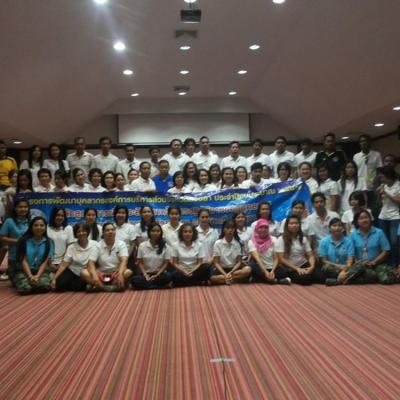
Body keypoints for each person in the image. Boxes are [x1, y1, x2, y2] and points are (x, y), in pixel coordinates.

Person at [350, 210, 395, 284]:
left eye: (366, 217)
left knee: (386, 280)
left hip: (377, 263)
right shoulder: (353, 235)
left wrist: (374, 262)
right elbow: (351, 252)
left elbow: (386, 250)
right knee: (370, 275)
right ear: (357, 221)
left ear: (370, 219)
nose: (364, 220)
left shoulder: (379, 232)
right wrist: (358, 263)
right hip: (360, 265)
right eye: (361, 218)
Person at [84, 223, 132, 291]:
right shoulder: (97, 245)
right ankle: (110, 287)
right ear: (103, 233)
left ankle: (98, 286)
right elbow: (90, 262)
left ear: (115, 232)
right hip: (101, 274)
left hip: (115, 273)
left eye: (112, 230)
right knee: (83, 272)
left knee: (128, 272)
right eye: (107, 230)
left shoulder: (121, 244)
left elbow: (124, 261)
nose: (110, 232)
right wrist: (94, 275)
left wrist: (120, 274)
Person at [51, 223, 98, 292]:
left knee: (77, 286)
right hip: (73, 270)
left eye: (83, 231)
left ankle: (83, 284)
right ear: (75, 234)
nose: (81, 233)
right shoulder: (71, 247)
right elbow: (64, 265)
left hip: (86, 272)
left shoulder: (95, 244)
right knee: (58, 285)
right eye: (78, 231)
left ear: (87, 232)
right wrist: (54, 278)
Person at [14, 217, 53, 295]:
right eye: (36, 225)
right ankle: (28, 283)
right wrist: (30, 276)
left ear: (45, 227)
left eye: (42, 225)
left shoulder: (49, 242)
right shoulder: (23, 240)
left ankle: (31, 283)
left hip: (40, 271)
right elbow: (23, 260)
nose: (39, 227)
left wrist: (37, 276)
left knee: (45, 286)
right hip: (24, 270)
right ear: (31, 227)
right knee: (24, 289)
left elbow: (45, 262)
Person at [275, 215, 317, 285]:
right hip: (290, 268)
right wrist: (297, 269)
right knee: (305, 279)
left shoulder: (303, 238)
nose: (294, 225)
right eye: (291, 223)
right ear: (287, 226)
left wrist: (312, 266)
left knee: (320, 276)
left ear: (299, 225)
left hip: (303, 264)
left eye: (296, 223)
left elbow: (310, 255)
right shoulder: (281, 239)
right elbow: (281, 259)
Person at [131, 222, 172, 289]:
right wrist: (145, 275)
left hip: (159, 274)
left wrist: (157, 275)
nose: (155, 233)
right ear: (149, 232)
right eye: (153, 231)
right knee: (134, 280)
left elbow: (165, 264)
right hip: (146, 274)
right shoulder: (142, 246)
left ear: (161, 233)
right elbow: (139, 262)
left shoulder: (165, 246)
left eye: (158, 231)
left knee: (169, 276)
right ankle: (157, 286)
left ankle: (149, 286)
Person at [249, 219, 290, 284]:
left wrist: (272, 271)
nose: (263, 229)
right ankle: (277, 281)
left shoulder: (274, 239)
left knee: (285, 271)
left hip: (272, 267)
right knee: (251, 266)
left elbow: (276, 258)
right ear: (257, 229)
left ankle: (258, 279)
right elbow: (258, 260)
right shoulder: (251, 241)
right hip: (260, 267)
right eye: (261, 227)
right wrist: (265, 272)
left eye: (266, 227)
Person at [210, 220, 251, 285]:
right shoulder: (217, 243)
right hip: (222, 269)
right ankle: (233, 280)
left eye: (232, 228)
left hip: (234, 269)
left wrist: (230, 273)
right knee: (212, 278)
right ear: (223, 230)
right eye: (227, 228)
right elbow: (216, 263)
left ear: (234, 230)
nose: (230, 230)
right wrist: (225, 274)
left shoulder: (237, 243)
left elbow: (239, 262)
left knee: (248, 270)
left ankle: (227, 279)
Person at [0, 199, 30, 284]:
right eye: (20, 207)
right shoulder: (9, 221)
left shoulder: (31, 221)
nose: (23, 209)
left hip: (30, 259)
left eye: (25, 207)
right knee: (22, 284)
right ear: (15, 208)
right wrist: (17, 241)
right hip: (14, 259)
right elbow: (2, 238)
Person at [319, 218, 355, 286]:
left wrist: (344, 270)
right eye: (334, 225)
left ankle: (336, 281)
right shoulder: (323, 242)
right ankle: (347, 279)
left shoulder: (349, 241)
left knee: (368, 273)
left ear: (343, 228)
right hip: (331, 268)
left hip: (346, 268)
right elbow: (324, 261)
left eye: (339, 225)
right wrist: (339, 266)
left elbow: (350, 261)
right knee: (326, 268)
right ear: (329, 228)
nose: (337, 228)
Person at [353, 134, 382, 213]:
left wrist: (378, 184)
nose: (363, 143)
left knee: (374, 210)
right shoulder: (356, 156)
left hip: (373, 187)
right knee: (362, 210)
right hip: (361, 188)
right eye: (361, 141)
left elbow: (379, 171)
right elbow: (354, 172)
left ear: (369, 142)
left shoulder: (376, 154)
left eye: (365, 141)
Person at [377, 165, 400, 266]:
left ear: (389, 176)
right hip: (383, 216)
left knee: (394, 242)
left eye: (382, 177)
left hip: (395, 216)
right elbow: (379, 202)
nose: (381, 179)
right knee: (384, 242)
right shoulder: (383, 185)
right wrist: (379, 194)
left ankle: (395, 264)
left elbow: (398, 201)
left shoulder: (398, 185)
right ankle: (386, 264)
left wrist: (386, 193)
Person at [47, 207, 69, 275]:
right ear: (53, 216)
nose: (60, 217)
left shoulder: (68, 228)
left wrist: (61, 264)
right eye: (58, 215)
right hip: (47, 262)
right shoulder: (46, 228)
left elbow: (69, 248)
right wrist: (50, 264)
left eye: (62, 216)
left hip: (63, 262)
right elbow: (44, 247)